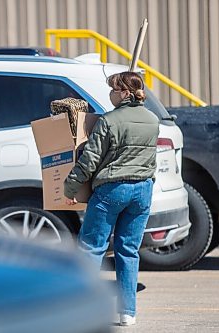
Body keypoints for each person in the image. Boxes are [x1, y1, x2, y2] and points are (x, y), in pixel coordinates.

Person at [63, 71, 159, 326]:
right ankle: (128, 312)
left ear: (125, 93)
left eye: (113, 89)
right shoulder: (152, 119)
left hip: (112, 190)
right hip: (143, 190)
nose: (110, 93)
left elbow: (89, 160)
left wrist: (70, 188)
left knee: (92, 248)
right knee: (128, 251)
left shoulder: (108, 121)